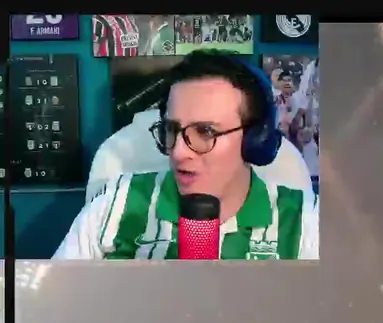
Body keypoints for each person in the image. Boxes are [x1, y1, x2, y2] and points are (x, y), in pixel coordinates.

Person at [53, 50, 318, 260]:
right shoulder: (114, 205)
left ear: (254, 139)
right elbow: (53, 302)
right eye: (171, 129)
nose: (179, 152)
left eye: (206, 131)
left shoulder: (307, 222)